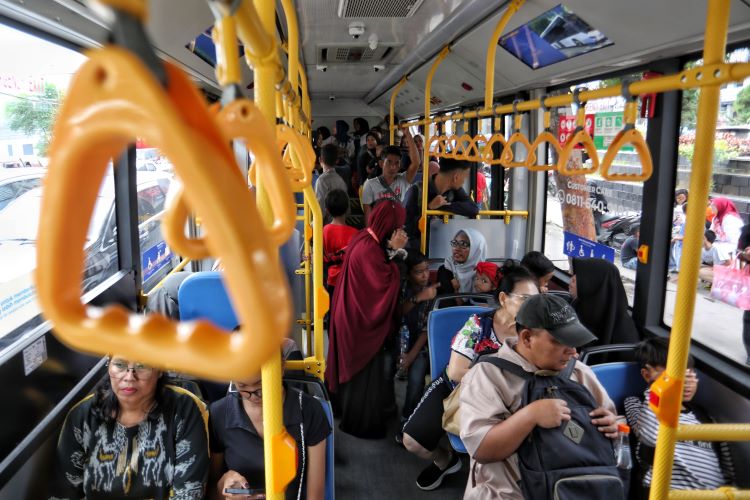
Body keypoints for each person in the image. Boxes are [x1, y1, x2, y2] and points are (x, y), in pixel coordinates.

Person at [459, 294, 618, 499]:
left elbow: (611, 418)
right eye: (562, 341)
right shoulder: (488, 376)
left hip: (574, 487)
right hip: (510, 491)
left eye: (575, 342)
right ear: (526, 338)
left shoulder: (580, 373)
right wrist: (531, 415)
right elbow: (482, 449)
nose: (574, 352)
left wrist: (612, 425)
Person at [402, 264, 538, 491]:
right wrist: (498, 386)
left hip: (510, 399)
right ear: (504, 299)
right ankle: (445, 459)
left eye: (536, 300)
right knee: (412, 442)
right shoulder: (478, 325)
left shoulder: (535, 333)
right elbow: (456, 372)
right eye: (526, 298)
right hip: (457, 388)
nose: (533, 306)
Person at [54, 356, 210, 499]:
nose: (129, 377)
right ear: (109, 367)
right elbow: (65, 491)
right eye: (120, 365)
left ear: (160, 370)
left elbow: (189, 492)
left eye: (142, 366)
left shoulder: (184, 409)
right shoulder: (82, 415)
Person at [325, 200, 408, 438]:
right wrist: (397, 254)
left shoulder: (365, 238)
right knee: (363, 378)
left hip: (350, 316)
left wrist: (391, 250)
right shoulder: (369, 251)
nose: (402, 232)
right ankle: (360, 423)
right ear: (388, 228)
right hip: (359, 325)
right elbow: (386, 281)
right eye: (398, 228)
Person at [623, 338, 733, 490]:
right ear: (648, 376)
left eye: (689, 373)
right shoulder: (638, 405)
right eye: (675, 375)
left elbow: (726, 472)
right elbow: (649, 436)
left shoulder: (705, 417)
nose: (686, 381)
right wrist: (658, 388)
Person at [208, 365, 331, 500]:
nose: (253, 396)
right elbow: (211, 490)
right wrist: (222, 487)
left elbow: (316, 494)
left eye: (261, 386)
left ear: (280, 369)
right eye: (242, 387)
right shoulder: (219, 413)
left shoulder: (308, 410)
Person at [397, 250, 438, 429]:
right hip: (399, 338)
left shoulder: (431, 290)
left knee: (416, 379)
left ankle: (408, 419)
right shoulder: (402, 288)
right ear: (408, 274)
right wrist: (418, 298)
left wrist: (410, 357)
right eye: (419, 271)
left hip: (421, 344)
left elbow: (425, 331)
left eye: (427, 270)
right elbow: (397, 313)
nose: (425, 275)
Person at [404, 158, 479, 249]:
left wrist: (441, 206)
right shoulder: (417, 191)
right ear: (456, 177)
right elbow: (407, 229)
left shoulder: (454, 191)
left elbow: (473, 209)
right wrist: (429, 208)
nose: (464, 181)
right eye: (465, 177)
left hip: (442, 247)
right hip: (419, 249)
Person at [569, 257, 640, 346]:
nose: (572, 280)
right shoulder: (577, 305)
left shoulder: (624, 333)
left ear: (595, 284)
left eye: (581, 276)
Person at [361, 128, 419, 220]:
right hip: (379, 229)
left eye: (397, 163)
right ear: (381, 164)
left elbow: (416, 163)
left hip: (398, 230)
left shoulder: (403, 180)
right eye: (389, 162)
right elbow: (368, 217)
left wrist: (408, 134)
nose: (393, 167)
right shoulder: (369, 185)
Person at [323, 189, 358, 299]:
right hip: (349, 281)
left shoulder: (324, 231)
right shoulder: (355, 233)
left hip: (331, 280)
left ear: (327, 210)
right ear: (347, 208)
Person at [436, 228, 487, 297]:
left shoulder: (485, 273)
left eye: (463, 244)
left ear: (477, 249)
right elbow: (446, 304)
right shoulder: (446, 269)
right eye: (455, 243)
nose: (456, 248)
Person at [314, 144, 348, 223]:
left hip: (326, 227)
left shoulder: (321, 181)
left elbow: (320, 212)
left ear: (320, 160)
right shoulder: (341, 180)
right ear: (337, 160)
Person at [709, 197, 744, 261]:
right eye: (711, 205)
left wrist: (715, 237)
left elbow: (731, 238)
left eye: (713, 206)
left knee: (714, 249)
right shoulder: (716, 218)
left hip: (733, 245)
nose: (711, 208)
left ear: (721, 206)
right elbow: (711, 232)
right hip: (721, 242)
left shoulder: (730, 218)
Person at [669, 189, 688, 273]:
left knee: (678, 248)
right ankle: (673, 265)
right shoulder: (673, 206)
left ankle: (677, 266)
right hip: (674, 228)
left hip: (681, 230)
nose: (680, 200)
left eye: (683, 198)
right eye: (678, 198)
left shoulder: (687, 206)